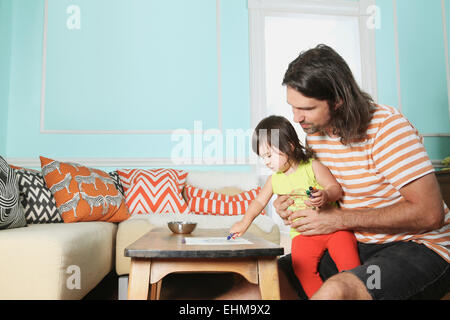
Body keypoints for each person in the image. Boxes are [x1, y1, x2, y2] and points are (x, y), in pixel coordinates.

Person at [272, 44, 450, 300]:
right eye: (293, 107)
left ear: (337, 100)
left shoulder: (387, 128)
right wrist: (292, 201)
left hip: (420, 246)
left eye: (307, 109)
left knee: (338, 291)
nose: (297, 118)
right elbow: (324, 193)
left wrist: (338, 219)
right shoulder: (315, 134)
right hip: (355, 243)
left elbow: (430, 213)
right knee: (269, 276)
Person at [229, 115, 361, 298]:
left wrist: (325, 195)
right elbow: (259, 202)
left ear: (289, 145)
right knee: (302, 269)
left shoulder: (312, 166)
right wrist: (244, 223)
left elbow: (335, 189)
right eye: (262, 157)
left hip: (334, 229)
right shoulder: (274, 180)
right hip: (303, 234)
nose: (266, 161)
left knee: (351, 266)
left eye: (269, 155)